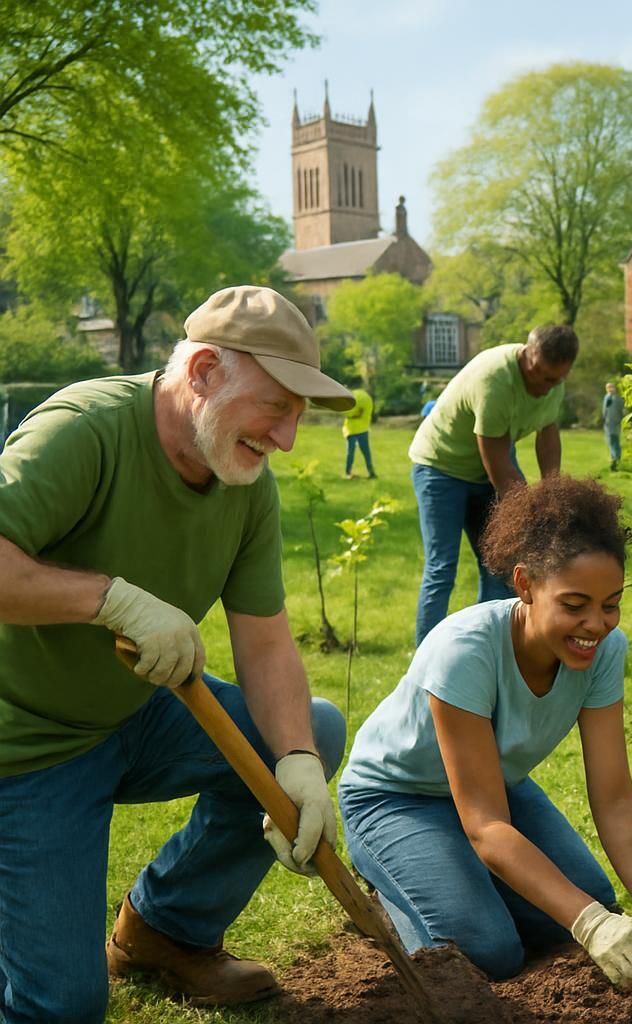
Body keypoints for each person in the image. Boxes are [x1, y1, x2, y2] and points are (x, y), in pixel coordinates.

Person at [0, 285, 351, 1022]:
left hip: (133, 717)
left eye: (298, 416)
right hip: (26, 747)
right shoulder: (85, 431)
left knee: (309, 731)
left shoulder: (244, 479)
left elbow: (266, 638)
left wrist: (297, 767)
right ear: (203, 373)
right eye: (277, 406)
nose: (286, 438)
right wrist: (111, 600)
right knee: (60, 1008)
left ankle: (164, 934)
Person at [338, 476, 632, 992]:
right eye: (575, 605)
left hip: (493, 788)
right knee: (487, 951)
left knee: (586, 905)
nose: (596, 624)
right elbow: (487, 826)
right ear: (525, 584)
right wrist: (592, 924)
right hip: (397, 798)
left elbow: (615, 794)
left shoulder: (603, 650)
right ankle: (390, 894)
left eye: (611, 603)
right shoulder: (465, 651)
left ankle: (456, 874)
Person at [408, 324, 579, 645]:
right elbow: (499, 466)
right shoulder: (495, 379)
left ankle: (484, 652)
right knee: (442, 568)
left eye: (555, 379)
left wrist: (553, 491)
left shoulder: (553, 383)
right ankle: (425, 662)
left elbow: (548, 434)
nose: (546, 386)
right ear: (528, 353)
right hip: (440, 468)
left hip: (485, 468)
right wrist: (533, 515)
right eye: (539, 374)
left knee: (500, 565)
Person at [343, 382, 376, 479]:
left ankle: (369, 472)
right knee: (358, 452)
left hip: (358, 430)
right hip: (354, 430)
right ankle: (349, 472)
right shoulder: (360, 398)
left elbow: (348, 412)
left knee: (356, 452)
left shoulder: (358, 398)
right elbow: (349, 413)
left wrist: (354, 414)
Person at [602, 381, 624, 471]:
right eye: (608, 387)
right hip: (607, 423)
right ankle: (614, 458)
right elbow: (604, 411)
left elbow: (621, 411)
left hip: (615, 423)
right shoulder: (606, 397)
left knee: (615, 441)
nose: (610, 389)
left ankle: (616, 458)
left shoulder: (618, 399)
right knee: (610, 441)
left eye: (611, 387)